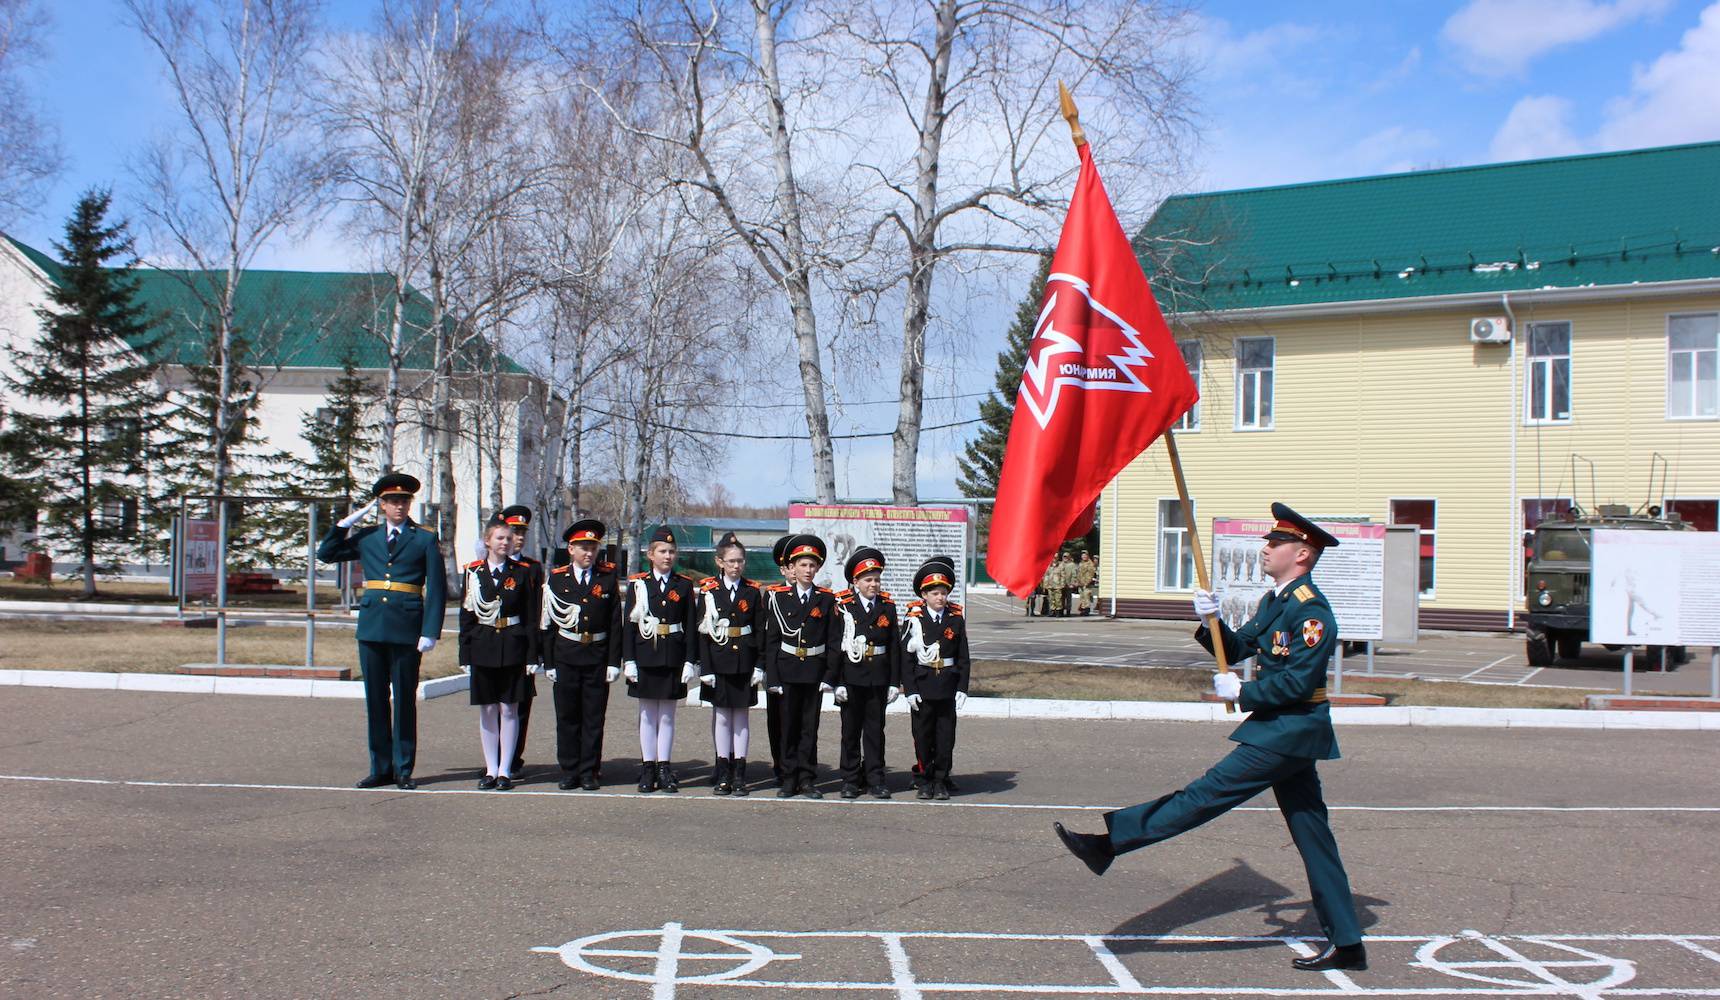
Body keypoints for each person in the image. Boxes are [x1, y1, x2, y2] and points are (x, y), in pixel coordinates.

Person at [1052, 503, 1367, 973]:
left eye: (1275, 543)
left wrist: (1245, 691)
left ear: (1302, 554)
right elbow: (1239, 648)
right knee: (1313, 835)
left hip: (1288, 732)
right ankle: (1348, 942)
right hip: (1285, 734)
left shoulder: (1312, 611)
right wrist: (1211, 621)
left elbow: (1300, 684)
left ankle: (1110, 843)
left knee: (1204, 794)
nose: (1266, 549)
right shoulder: (1275, 601)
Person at [316, 473, 447, 791]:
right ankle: (380, 767)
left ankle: (403, 768)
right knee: (375, 700)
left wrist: (430, 630)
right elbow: (326, 554)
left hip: (406, 628)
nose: (399, 506)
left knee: (404, 700)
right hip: (372, 627)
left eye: (404, 501)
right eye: (392, 501)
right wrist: (344, 524)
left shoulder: (424, 539)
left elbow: (438, 588)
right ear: (382, 505)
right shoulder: (369, 537)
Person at [459, 519, 541, 790]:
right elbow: (467, 616)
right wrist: (465, 655)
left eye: (508, 538)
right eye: (499, 538)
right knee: (488, 709)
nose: (505, 543)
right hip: (483, 645)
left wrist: (532, 656)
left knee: (509, 709)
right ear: (487, 541)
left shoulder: (522, 572)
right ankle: (490, 768)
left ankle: (506, 769)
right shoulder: (473, 572)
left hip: (513, 645)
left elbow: (531, 617)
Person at [540, 518, 622, 791]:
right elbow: (549, 624)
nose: (589, 552)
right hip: (567, 653)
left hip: (597, 654)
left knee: (593, 716)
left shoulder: (607, 576)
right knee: (567, 716)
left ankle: (589, 770)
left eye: (593, 547)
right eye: (583, 547)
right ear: (571, 549)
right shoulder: (557, 577)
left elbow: (614, 622)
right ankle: (569, 769)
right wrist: (548, 661)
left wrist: (613, 661)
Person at [621, 526, 699, 793]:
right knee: (646, 715)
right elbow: (629, 626)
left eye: (671, 551)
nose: (668, 556)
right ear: (650, 554)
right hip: (646, 655)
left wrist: (690, 661)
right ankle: (648, 767)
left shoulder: (684, 585)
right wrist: (629, 660)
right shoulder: (639, 585)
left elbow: (690, 625)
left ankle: (664, 767)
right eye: (662, 551)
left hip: (672, 657)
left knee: (667, 716)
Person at [763, 532, 838, 799]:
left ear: (818, 568)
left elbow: (832, 640)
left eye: (812, 565)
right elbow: (771, 641)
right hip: (787, 669)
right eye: (802, 565)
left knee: (809, 728)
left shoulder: (826, 599)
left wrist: (829, 675)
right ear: (792, 568)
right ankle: (788, 777)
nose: (807, 570)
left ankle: (807, 778)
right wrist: (771, 678)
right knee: (788, 727)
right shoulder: (779, 598)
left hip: (813, 670)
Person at [696, 532, 766, 795]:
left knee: (742, 718)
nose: (737, 566)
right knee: (723, 718)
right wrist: (705, 668)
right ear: (720, 562)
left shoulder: (751, 590)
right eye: (731, 561)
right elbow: (702, 632)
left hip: (744, 663)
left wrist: (760, 665)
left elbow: (760, 631)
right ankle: (723, 771)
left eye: (740, 561)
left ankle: (740, 774)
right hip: (719, 661)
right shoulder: (708, 591)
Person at [832, 546, 901, 799]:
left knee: (875, 731)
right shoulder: (843, 606)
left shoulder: (887, 607)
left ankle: (875, 778)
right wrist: (837, 682)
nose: (874, 584)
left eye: (877, 579)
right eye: (868, 580)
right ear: (855, 581)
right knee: (850, 731)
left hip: (878, 678)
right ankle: (850, 779)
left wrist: (895, 681)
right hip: (851, 677)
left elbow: (894, 646)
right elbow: (836, 646)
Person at [902, 557, 970, 800]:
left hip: (947, 686)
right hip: (923, 686)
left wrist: (962, 687)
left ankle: (941, 779)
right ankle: (924, 779)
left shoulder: (955, 618)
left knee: (945, 736)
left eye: (943, 593)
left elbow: (963, 656)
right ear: (924, 594)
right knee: (922, 736)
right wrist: (909, 690)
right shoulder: (914, 620)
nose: (940, 598)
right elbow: (906, 659)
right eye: (934, 593)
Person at [497, 504, 544, 776]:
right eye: (514, 531)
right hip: (493, 643)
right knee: (494, 705)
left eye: (522, 531)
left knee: (521, 704)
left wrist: (536, 651)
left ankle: (513, 757)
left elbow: (536, 611)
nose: (519, 536)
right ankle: (495, 759)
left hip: (522, 644)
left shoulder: (532, 568)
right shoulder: (487, 566)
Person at [763, 534, 795, 786]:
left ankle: (799, 768)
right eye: (789, 566)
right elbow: (768, 637)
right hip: (779, 667)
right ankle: (780, 765)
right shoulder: (772, 595)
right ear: (783, 568)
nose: (795, 571)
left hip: (804, 668)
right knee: (779, 720)